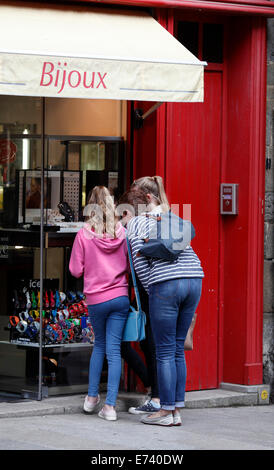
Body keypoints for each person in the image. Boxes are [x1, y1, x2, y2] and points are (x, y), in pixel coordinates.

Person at [127, 176, 204, 426]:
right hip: (195, 278)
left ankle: (165, 411)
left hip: (167, 285)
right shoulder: (173, 216)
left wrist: (153, 291)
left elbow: (140, 265)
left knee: (163, 351)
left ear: (145, 199)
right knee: (177, 349)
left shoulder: (137, 223)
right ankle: (176, 410)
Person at [69, 186, 130, 421]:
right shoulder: (121, 233)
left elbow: (75, 270)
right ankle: (110, 407)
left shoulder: (84, 234)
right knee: (115, 351)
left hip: (97, 299)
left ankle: (92, 398)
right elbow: (127, 264)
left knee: (100, 346)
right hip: (120, 297)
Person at [118, 186, 160, 414]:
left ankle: (156, 395)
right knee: (148, 343)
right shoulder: (158, 220)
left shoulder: (138, 225)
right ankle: (156, 391)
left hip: (149, 292)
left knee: (149, 343)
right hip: (148, 292)